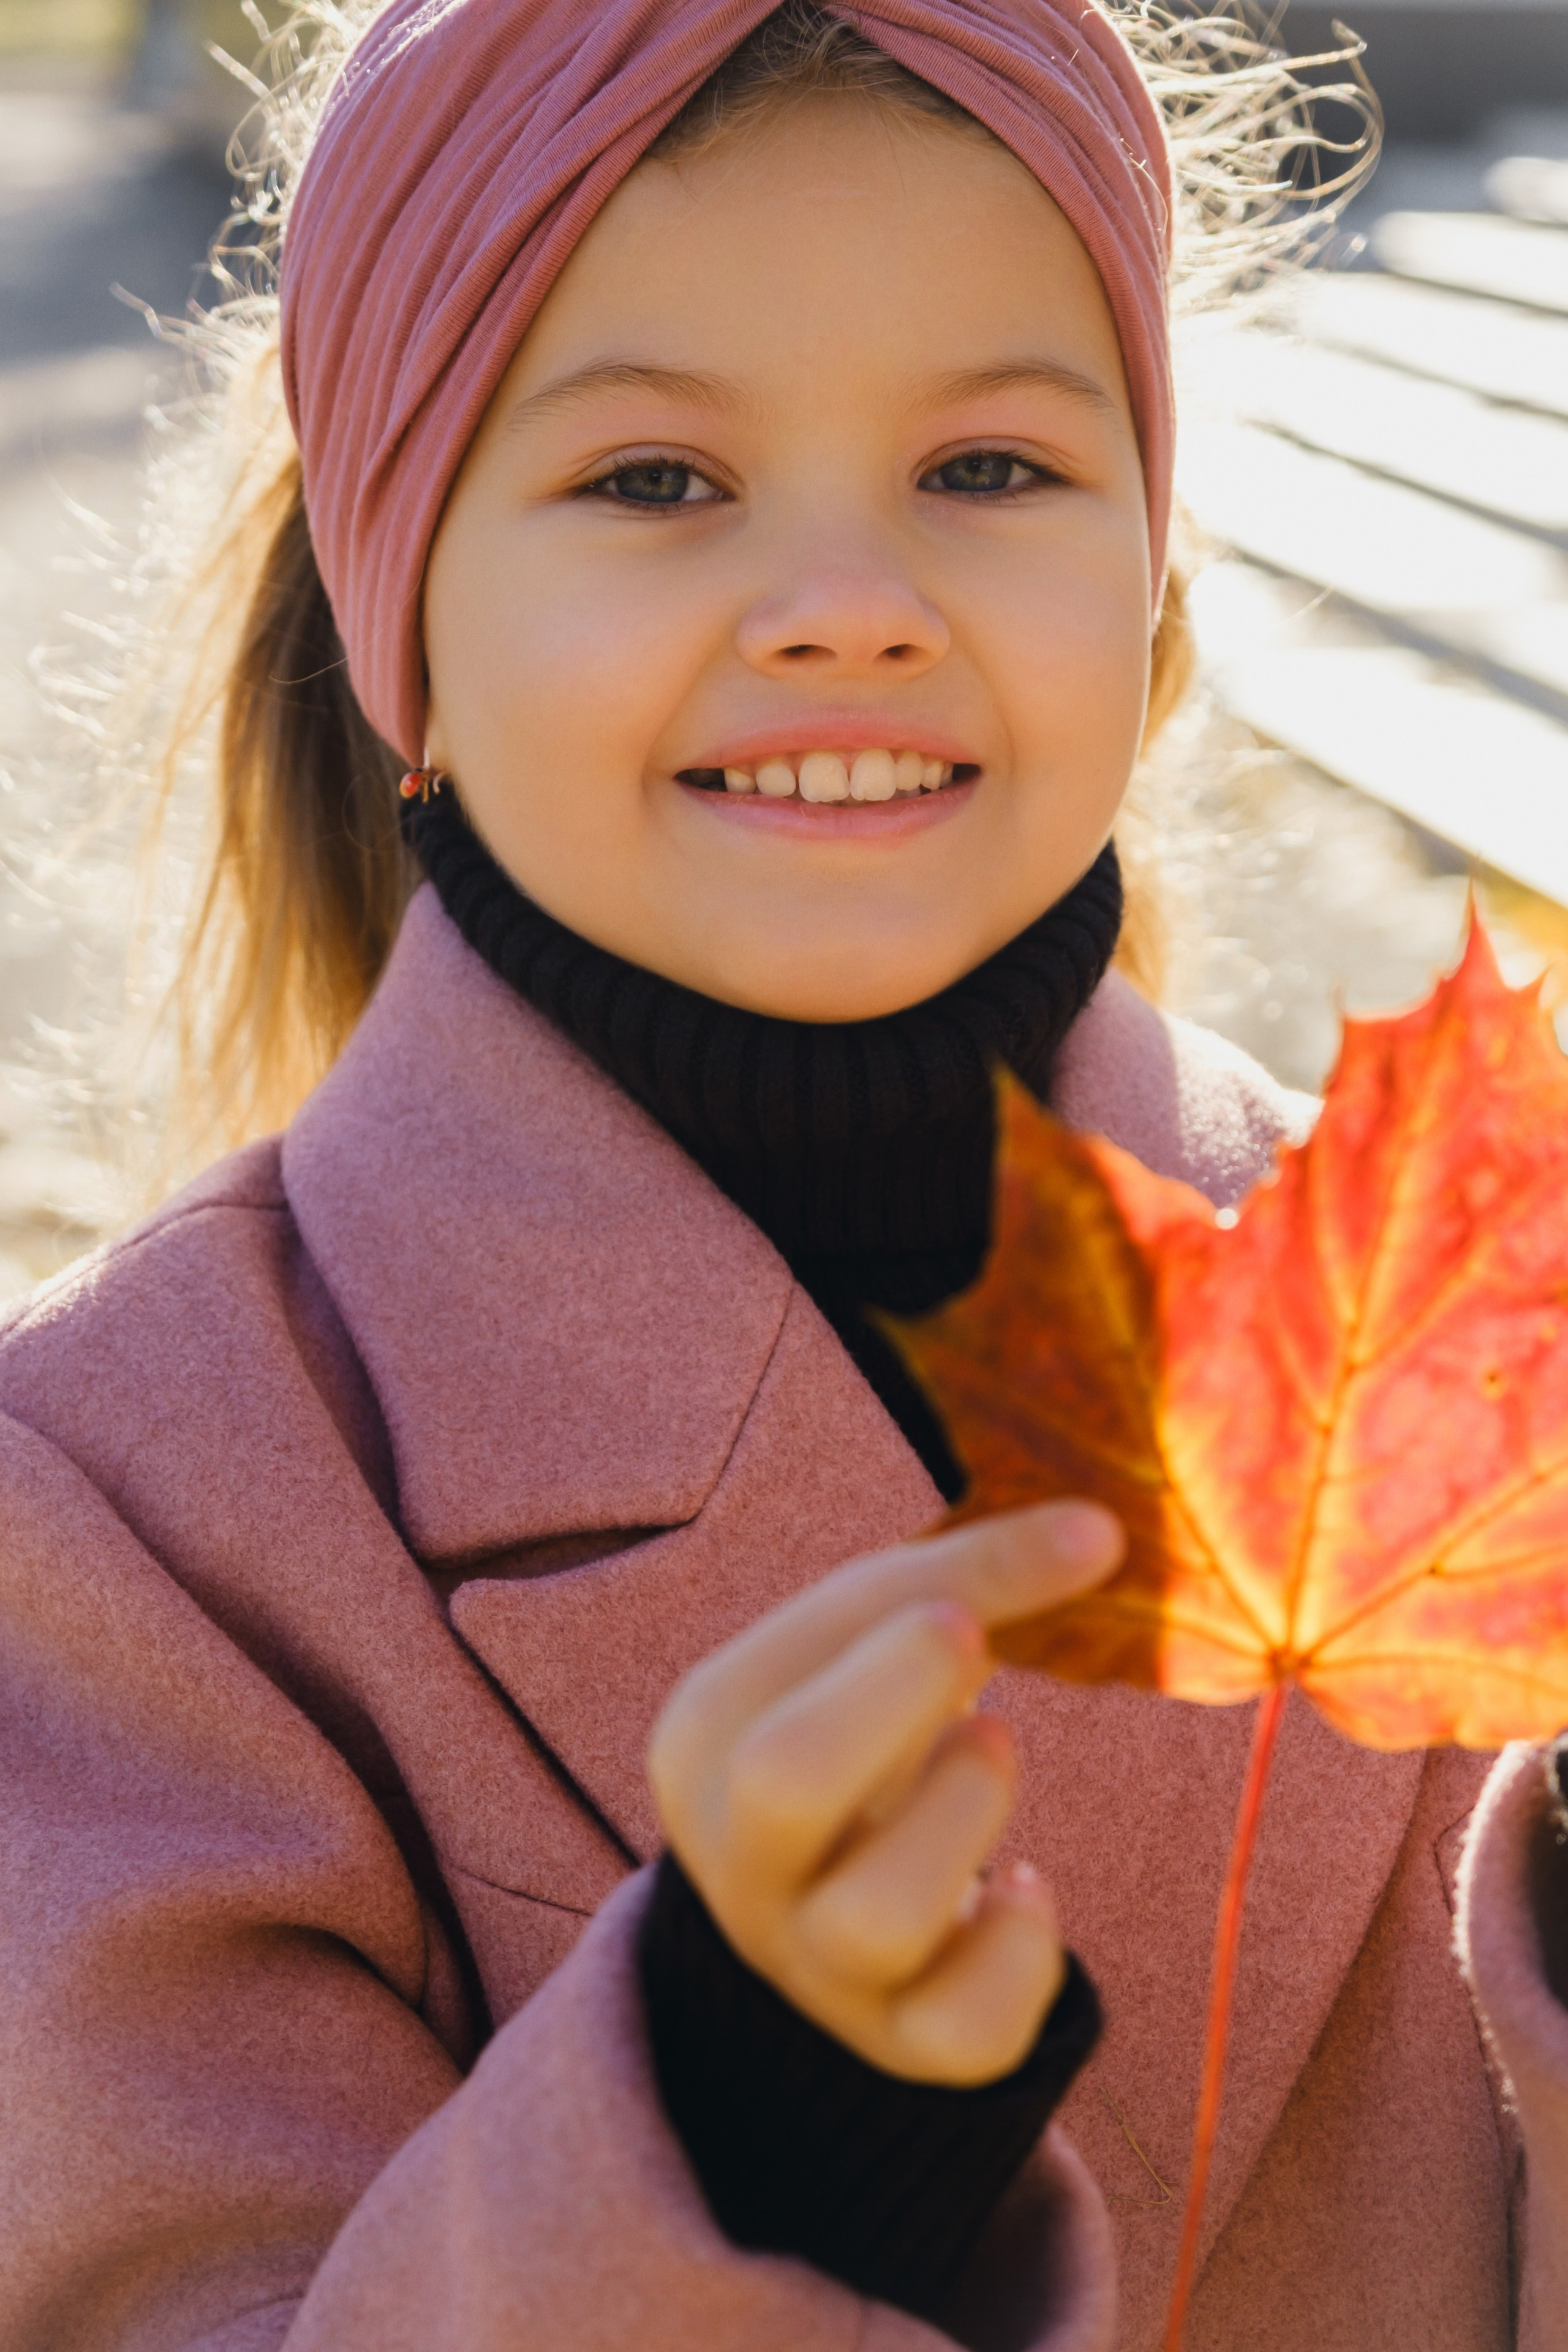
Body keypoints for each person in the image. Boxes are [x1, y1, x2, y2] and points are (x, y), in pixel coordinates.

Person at [1, 3, 1563, 2347]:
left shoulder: (1474, 1336)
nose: (852, 596)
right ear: (396, 602)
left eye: (993, 468)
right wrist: (732, 2129)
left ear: (1156, 588)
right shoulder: (127, 1515)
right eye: (654, 482)